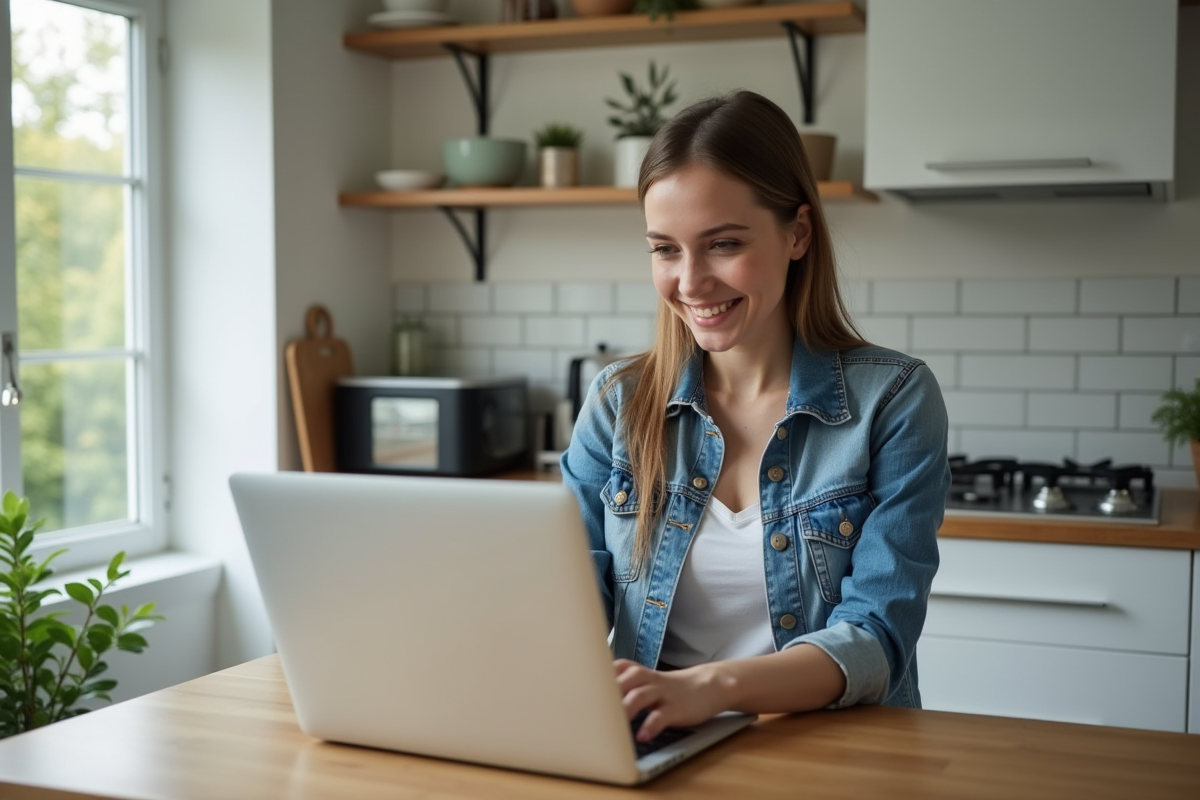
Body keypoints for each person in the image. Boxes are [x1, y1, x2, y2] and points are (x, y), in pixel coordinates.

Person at [560, 90, 950, 745]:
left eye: (723, 244)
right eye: (665, 249)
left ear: (797, 234)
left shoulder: (893, 399)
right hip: (656, 744)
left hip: (831, 750)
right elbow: (565, 596)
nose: (690, 282)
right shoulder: (618, 402)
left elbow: (878, 637)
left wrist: (706, 689)